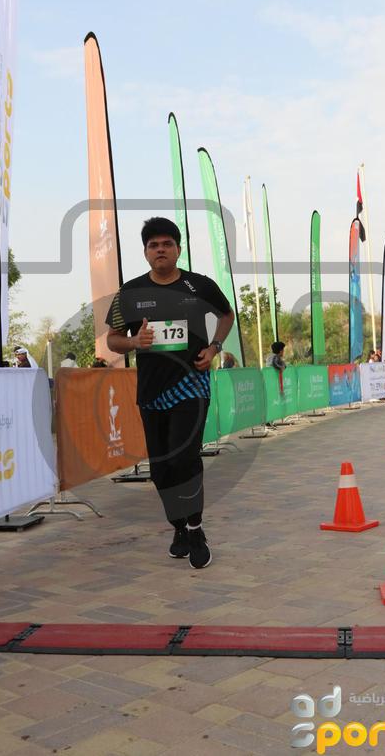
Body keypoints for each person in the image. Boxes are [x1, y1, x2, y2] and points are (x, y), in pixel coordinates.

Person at [106, 217, 234, 569]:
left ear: (178, 249)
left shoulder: (199, 285)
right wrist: (134, 341)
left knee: (184, 458)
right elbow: (113, 339)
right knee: (161, 469)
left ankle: (195, 528)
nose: (160, 250)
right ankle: (179, 527)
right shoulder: (129, 292)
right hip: (151, 391)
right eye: (153, 245)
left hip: (191, 385)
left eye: (166, 244)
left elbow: (226, 315)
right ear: (145, 252)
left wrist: (214, 347)